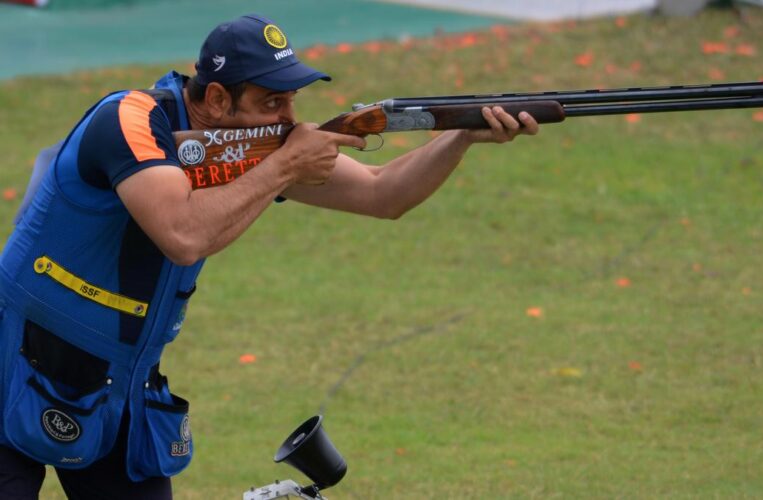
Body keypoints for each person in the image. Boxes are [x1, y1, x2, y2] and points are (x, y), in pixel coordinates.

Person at [0, 13, 539, 500]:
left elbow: (384, 193)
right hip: (13, 361)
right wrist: (283, 168)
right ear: (215, 101)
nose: (289, 121)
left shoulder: (252, 151)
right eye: (271, 103)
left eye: (292, 101)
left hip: (117, 386)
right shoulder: (128, 120)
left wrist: (462, 137)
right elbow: (182, 234)